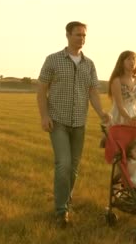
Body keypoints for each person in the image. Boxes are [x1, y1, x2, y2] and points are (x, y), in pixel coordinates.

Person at [37, 21, 110, 228]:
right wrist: (44, 116)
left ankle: (66, 201)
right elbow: (41, 89)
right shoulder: (53, 60)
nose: (82, 39)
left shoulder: (89, 64)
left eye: (84, 35)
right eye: (78, 35)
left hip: (79, 123)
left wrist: (101, 112)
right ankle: (61, 211)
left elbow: (93, 92)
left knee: (74, 168)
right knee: (64, 164)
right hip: (57, 121)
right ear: (68, 35)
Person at [108, 50, 136, 128]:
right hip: (119, 117)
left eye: (134, 59)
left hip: (134, 116)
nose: (132, 62)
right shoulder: (116, 81)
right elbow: (120, 106)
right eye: (128, 59)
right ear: (121, 62)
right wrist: (129, 119)